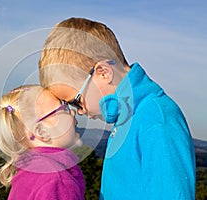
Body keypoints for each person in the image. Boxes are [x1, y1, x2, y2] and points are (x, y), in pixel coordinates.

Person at [38, 17, 196, 199]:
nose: (79, 112)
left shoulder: (156, 119)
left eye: (76, 101)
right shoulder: (126, 117)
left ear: (103, 73)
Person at [0, 85, 85, 200]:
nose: (73, 112)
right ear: (42, 132)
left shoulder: (29, 173)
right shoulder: (58, 182)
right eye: (63, 109)